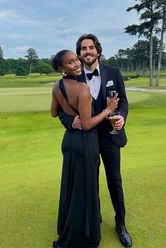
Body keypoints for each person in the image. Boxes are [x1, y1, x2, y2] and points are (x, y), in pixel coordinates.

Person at [58, 34, 132, 247]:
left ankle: (121, 224)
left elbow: (124, 103)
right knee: (90, 182)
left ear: (97, 50)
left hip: (111, 138)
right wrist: (71, 121)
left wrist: (122, 119)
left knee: (114, 181)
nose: (87, 51)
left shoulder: (114, 73)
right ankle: (94, 218)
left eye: (91, 47)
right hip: (85, 140)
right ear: (79, 54)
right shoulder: (73, 78)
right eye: (83, 49)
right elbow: (62, 111)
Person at [50, 49, 119, 248]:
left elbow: (54, 113)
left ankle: (67, 226)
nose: (76, 63)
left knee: (71, 187)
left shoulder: (57, 86)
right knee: (86, 189)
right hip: (85, 143)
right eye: (70, 62)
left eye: (76, 59)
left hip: (69, 143)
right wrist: (107, 110)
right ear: (62, 68)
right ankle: (85, 236)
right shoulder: (82, 88)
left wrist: (71, 120)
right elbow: (88, 124)